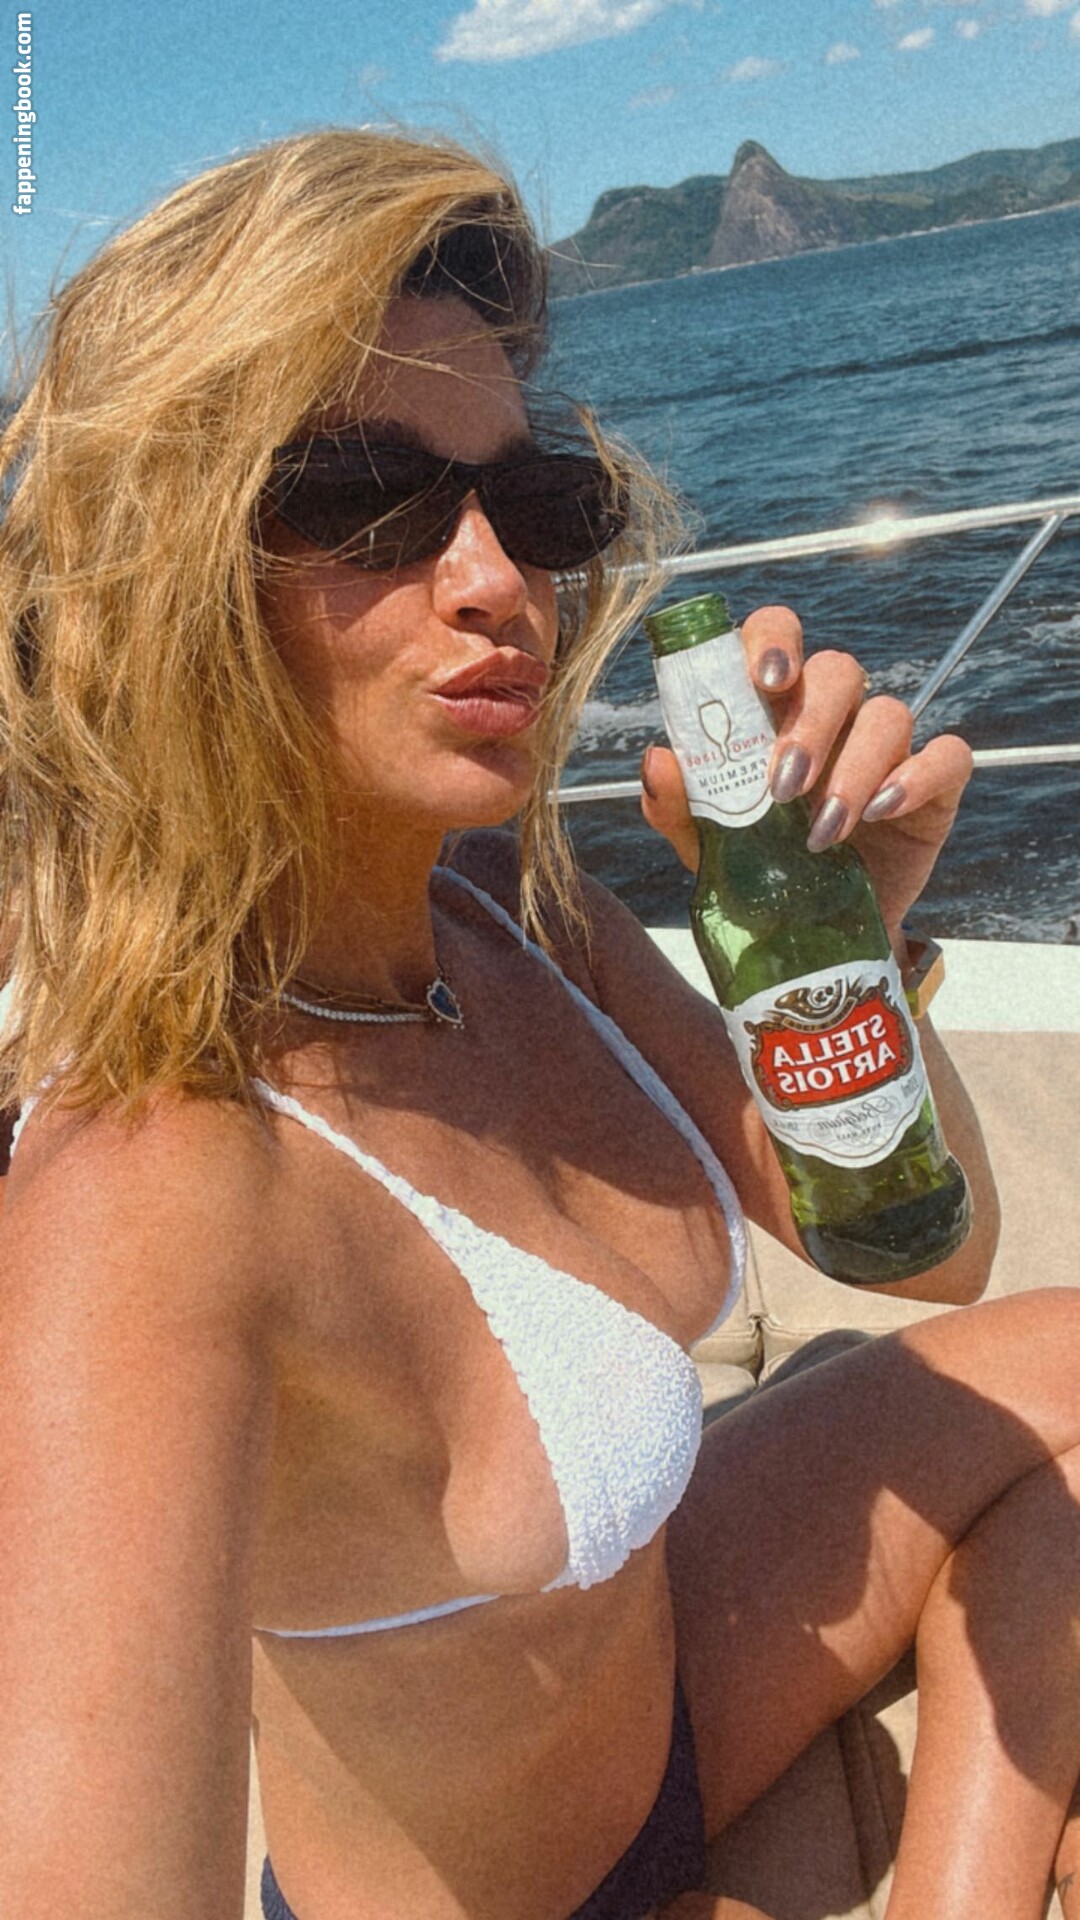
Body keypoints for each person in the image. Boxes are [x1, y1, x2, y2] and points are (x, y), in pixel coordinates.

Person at [0, 127, 1076, 1920]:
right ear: (160, 568)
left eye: (538, 503)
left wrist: (850, 958)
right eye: (369, 501)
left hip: (672, 1706)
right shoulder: (151, 1191)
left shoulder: (521, 912)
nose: (500, 580)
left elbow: (919, 1260)